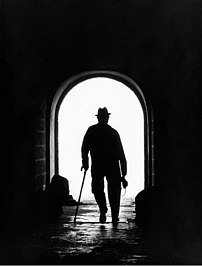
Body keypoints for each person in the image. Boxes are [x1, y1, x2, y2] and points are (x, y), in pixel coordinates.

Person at [81, 107, 128, 224]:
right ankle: (105, 210)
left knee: (110, 191)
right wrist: (85, 162)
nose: (105, 118)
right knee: (102, 190)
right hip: (106, 166)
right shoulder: (111, 132)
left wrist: (124, 174)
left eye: (105, 116)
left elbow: (84, 148)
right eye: (103, 116)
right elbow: (85, 148)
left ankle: (112, 214)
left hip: (103, 165)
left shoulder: (96, 131)